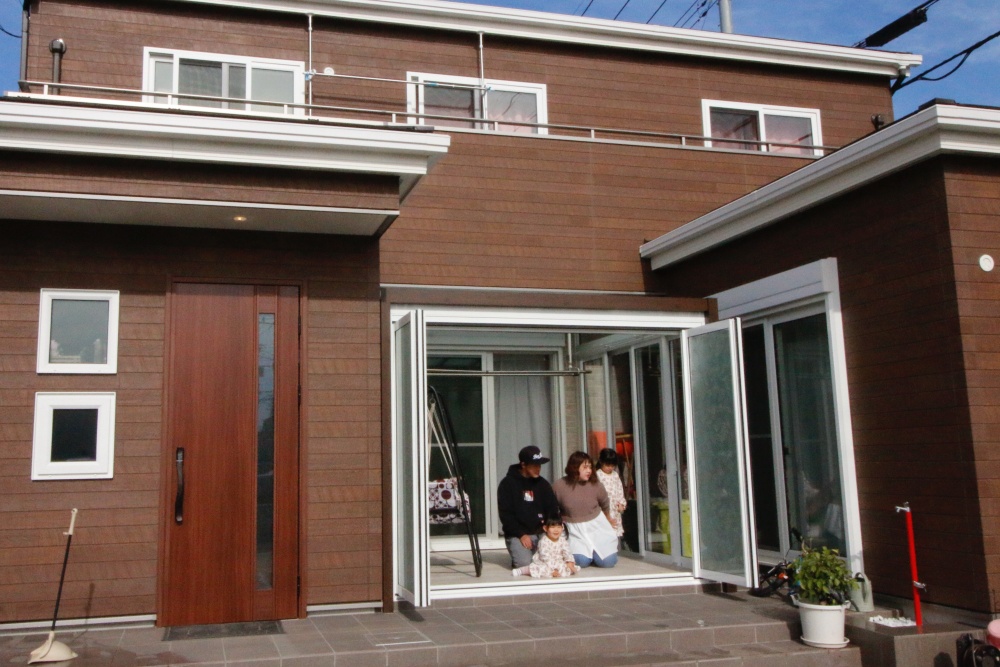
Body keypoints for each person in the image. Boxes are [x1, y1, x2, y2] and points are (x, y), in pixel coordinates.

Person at [497, 445, 560, 569]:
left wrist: (550, 528)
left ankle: (536, 554)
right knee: (525, 564)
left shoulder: (543, 484)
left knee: (554, 559)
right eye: (534, 465)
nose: (538, 468)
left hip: (541, 532)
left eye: (539, 465)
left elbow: (552, 509)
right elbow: (506, 515)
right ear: (523, 465)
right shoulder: (507, 484)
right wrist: (521, 534)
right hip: (518, 534)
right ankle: (523, 553)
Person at [552, 451, 619, 568]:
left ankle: (595, 553)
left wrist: (608, 518)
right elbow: (552, 507)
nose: (589, 471)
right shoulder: (559, 485)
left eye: (590, 467)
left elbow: (605, 503)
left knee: (607, 562)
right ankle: (587, 554)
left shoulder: (596, 484)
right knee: (581, 561)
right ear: (574, 467)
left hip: (596, 527)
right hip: (574, 530)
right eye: (585, 467)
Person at [511, 516, 579, 578]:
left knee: (568, 568)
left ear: (562, 527)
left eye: (559, 527)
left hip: (559, 562)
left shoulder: (562, 540)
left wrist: (569, 561)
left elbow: (567, 552)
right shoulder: (543, 541)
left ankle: (558, 570)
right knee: (539, 569)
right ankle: (523, 570)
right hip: (545, 563)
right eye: (553, 527)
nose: (556, 530)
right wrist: (553, 569)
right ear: (545, 528)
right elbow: (546, 557)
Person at [596, 448, 627, 540]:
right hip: (603, 510)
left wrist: (621, 504)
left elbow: (620, 490)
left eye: (612, 465)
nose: (610, 468)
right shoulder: (598, 475)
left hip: (614, 508)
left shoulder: (615, 475)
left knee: (614, 534)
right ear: (601, 462)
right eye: (607, 465)